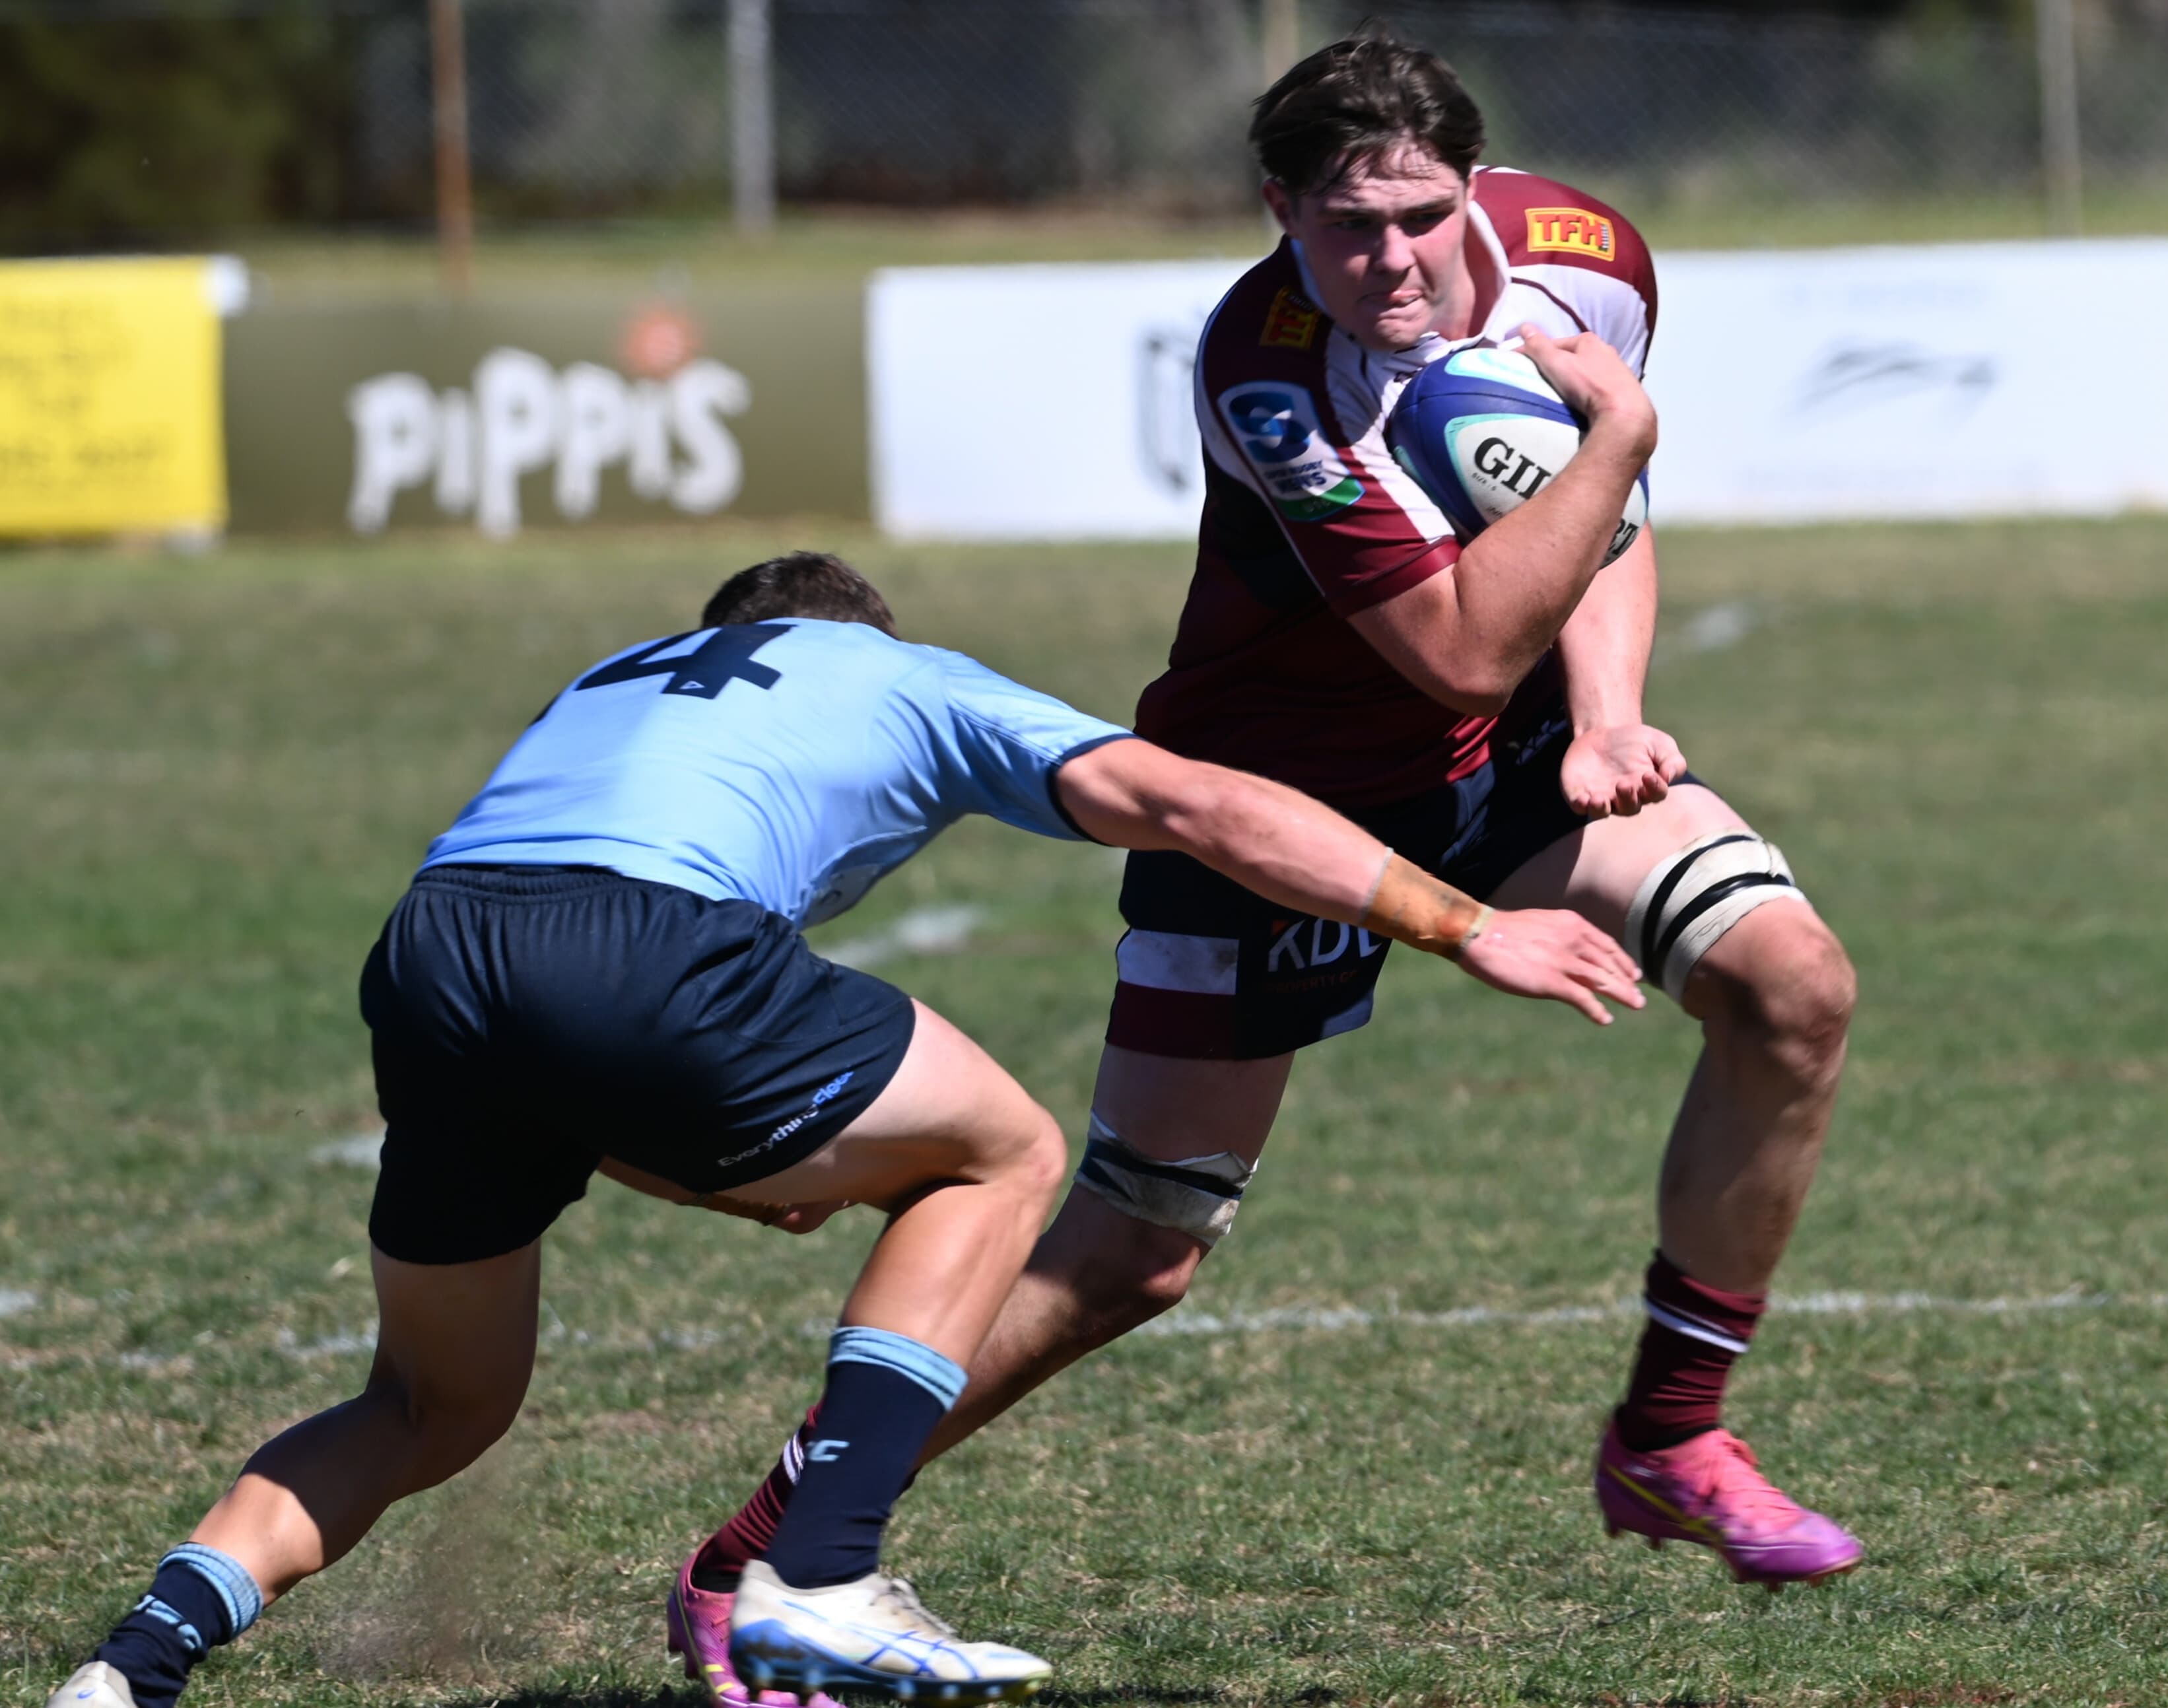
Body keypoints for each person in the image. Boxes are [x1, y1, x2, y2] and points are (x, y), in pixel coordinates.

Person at [673, 36, 1860, 1697]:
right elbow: (1457, 644)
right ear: (1279, 208)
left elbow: (1610, 519)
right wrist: (1617, 441)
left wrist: (1608, 713)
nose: (1392, 261)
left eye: (1425, 217)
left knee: (1792, 987)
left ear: (1477, 187)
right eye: (1348, 226)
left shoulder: (1590, 259)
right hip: (1272, 800)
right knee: (1137, 1249)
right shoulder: (1269, 367)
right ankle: (756, 1554)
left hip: (1512, 768)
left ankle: (1672, 1435)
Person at [44, 551, 1646, 1708]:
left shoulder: (611, 677)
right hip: (647, 946)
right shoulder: (904, 675)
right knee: (1007, 1150)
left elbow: (548, 1005)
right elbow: (1199, 805)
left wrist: (711, 1152)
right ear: (853, 637)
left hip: (439, 947)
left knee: (426, 1399)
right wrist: (1458, 924)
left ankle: (130, 1670)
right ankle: (820, 1571)